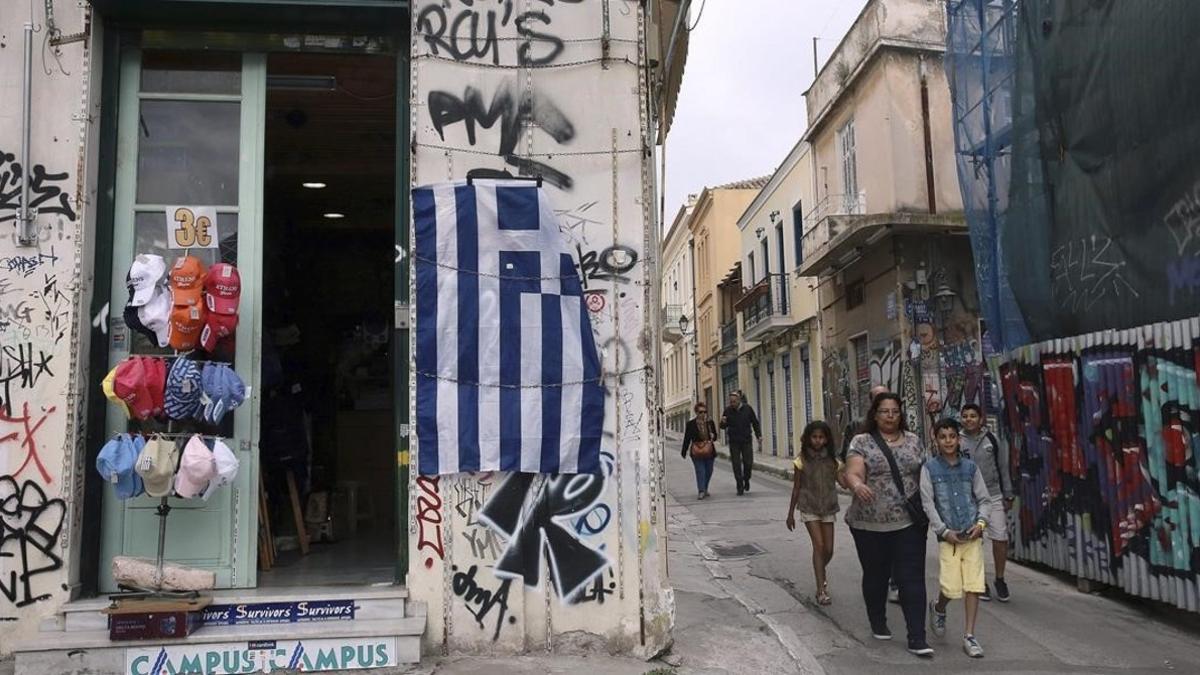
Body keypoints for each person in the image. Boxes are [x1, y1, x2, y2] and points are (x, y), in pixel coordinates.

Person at [842, 393, 934, 657]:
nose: (890, 416)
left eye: (895, 411)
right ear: (875, 414)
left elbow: (927, 475)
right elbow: (853, 470)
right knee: (876, 575)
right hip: (869, 524)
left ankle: (917, 637)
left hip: (909, 522)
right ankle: (877, 619)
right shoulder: (862, 441)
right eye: (884, 411)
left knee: (911, 578)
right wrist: (858, 485)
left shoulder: (915, 441)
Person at [921, 418, 991, 658]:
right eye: (943, 437)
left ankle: (970, 635)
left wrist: (981, 524)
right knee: (951, 589)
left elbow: (983, 499)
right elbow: (928, 503)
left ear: (958, 439)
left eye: (952, 436)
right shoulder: (930, 469)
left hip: (972, 535)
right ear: (936, 440)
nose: (948, 441)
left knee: (973, 585)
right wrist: (943, 531)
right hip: (948, 538)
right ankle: (939, 607)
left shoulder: (970, 468)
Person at [959, 403, 1014, 602]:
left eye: (973, 415)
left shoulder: (991, 439)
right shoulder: (957, 441)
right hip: (969, 499)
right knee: (974, 541)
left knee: (1000, 537)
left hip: (993, 496)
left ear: (980, 418)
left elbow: (1002, 467)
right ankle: (980, 581)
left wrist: (1008, 493)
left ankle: (1000, 579)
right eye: (965, 416)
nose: (969, 419)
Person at [786, 420, 840, 605]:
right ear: (808, 439)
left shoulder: (832, 460)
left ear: (826, 439)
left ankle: (820, 571)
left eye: (821, 437)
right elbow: (796, 487)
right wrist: (790, 513)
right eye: (814, 437)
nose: (818, 441)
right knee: (819, 546)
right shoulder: (801, 460)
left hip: (828, 507)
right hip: (809, 506)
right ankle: (820, 590)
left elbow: (843, 480)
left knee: (829, 549)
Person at [719, 391, 761, 496]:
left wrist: (758, 435)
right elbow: (722, 427)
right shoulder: (728, 411)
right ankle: (739, 486)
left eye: (734, 401)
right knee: (736, 464)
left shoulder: (748, 409)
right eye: (731, 402)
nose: (732, 403)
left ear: (739, 400)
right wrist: (723, 422)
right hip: (734, 442)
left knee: (748, 463)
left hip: (746, 440)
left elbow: (755, 422)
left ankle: (746, 479)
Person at [681, 402, 718, 500]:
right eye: (701, 412)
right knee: (700, 471)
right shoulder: (691, 424)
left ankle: (705, 487)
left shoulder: (710, 423)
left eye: (705, 412)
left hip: (709, 450)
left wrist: (713, 436)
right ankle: (701, 490)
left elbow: (715, 437)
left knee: (709, 471)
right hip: (697, 450)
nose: (703, 414)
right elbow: (687, 438)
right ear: (696, 413)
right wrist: (684, 451)